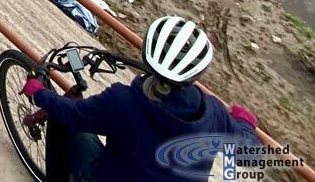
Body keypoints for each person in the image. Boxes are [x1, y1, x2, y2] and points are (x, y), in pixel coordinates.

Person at [20, 16, 260, 182]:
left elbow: (73, 114)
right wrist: (244, 122)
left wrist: (39, 93)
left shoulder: (123, 101)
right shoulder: (213, 113)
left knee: (64, 120)